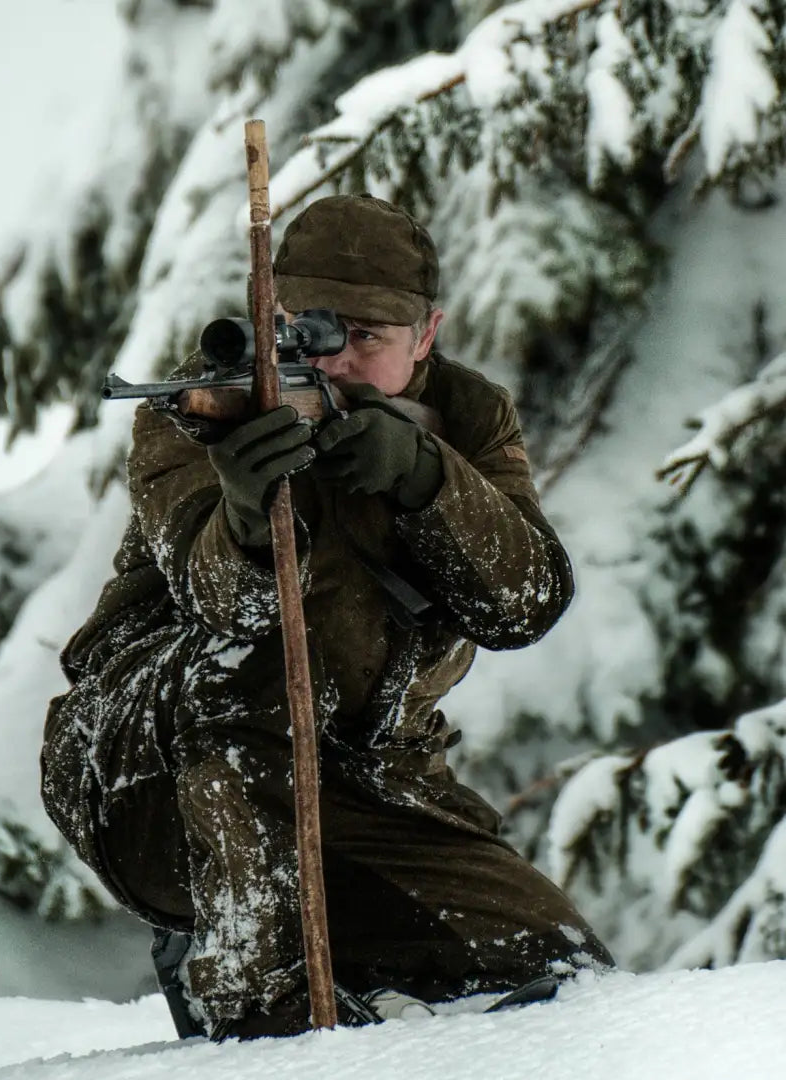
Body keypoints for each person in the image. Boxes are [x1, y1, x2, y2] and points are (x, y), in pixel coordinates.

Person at [40, 193, 614, 1040]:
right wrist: (244, 512)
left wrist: (427, 480)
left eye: (367, 339)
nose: (332, 360)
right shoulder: (206, 404)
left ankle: (346, 978)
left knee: (559, 978)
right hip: (148, 765)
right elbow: (225, 612)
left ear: (427, 335)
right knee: (255, 666)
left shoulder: (466, 415)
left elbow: (525, 604)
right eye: (309, 329)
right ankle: (253, 1005)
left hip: (363, 779)